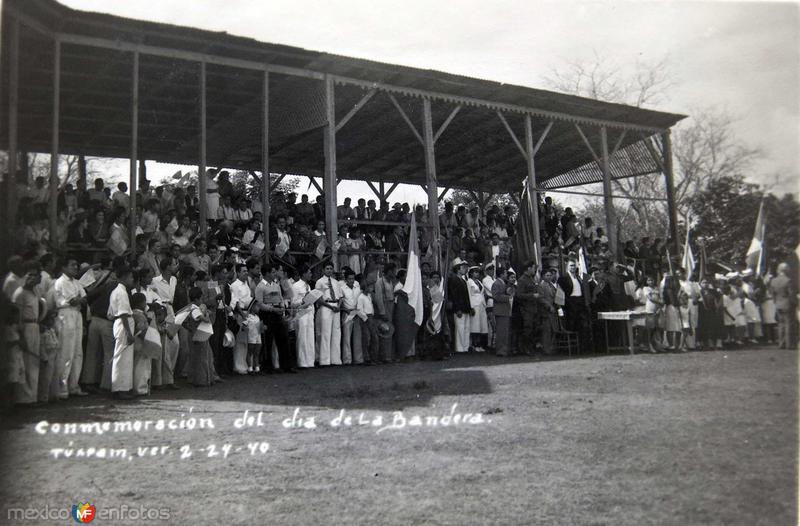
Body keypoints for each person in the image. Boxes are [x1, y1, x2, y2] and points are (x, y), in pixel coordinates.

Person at [52, 257, 88, 399]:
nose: (75, 267)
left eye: (76, 265)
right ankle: (62, 388)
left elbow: (84, 299)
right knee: (66, 352)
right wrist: (77, 299)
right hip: (65, 314)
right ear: (64, 267)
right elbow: (72, 300)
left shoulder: (77, 283)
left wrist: (78, 299)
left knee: (77, 352)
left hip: (76, 314)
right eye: (72, 265)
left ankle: (74, 386)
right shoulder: (61, 282)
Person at [12, 261, 43, 404]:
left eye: (35, 275)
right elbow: (16, 317)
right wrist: (21, 336)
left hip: (35, 326)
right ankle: (23, 398)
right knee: (25, 362)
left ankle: (32, 396)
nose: (32, 278)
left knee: (34, 362)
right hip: (25, 327)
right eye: (29, 275)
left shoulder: (35, 291)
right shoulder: (20, 293)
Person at [256, 263, 296, 373]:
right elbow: (259, 304)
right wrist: (272, 309)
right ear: (267, 273)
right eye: (273, 272)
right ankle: (267, 367)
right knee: (267, 341)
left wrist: (282, 307)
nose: (275, 274)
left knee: (283, 339)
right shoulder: (260, 286)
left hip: (278, 313)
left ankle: (286, 365)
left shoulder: (276, 285)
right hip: (267, 314)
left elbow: (280, 298)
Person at [109, 267, 136, 400]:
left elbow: (110, 314)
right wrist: (129, 333)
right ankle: (120, 388)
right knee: (122, 357)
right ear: (124, 277)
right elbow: (123, 314)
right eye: (131, 277)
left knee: (123, 357)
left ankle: (123, 387)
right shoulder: (121, 292)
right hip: (124, 324)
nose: (132, 280)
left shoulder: (116, 291)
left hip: (120, 323)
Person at [315, 261, 343, 366]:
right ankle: (324, 360)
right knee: (325, 333)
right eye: (327, 268)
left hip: (336, 306)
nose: (329, 270)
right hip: (326, 306)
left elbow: (340, 296)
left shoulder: (336, 282)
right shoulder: (320, 282)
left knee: (336, 333)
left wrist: (338, 306)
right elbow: (319, 298)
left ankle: (335, 359)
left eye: (331, 268)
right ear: (323, 270)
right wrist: (330, 306)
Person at [291, 265, 316, 368]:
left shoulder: (308, 286)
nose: (310, 275)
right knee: (302, 337)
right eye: (309, 273)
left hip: (309, 312)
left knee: (310, 337)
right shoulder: (296, 286)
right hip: (301, 313)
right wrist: (303, 301)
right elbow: (293, 303)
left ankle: (310, 361)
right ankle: (302, 362)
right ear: (304, 274)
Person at [514, 260, 542, 356]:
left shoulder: (531, 279)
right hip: (526, 309)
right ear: (528, 268)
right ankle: (525, 349)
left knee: (533, 329)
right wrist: (532, 296)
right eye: (533, 268)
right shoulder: (522, 280)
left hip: (533, 308)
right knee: (527, 329)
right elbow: (519, 295)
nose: (535, 270)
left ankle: (530, 348)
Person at [374, 262, 397, 362]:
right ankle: (384, 356)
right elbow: (378, 298)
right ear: (389, 271)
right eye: (394, 271)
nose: (395, 273)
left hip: (391, 306)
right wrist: (382, 312)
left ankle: (389, 355)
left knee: (390, 331)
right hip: (384, 306)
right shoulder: (380, 282)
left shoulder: (391, 282)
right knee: (384, 330)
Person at [770, 262, 797, 349]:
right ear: (786, 270)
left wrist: (775, 302)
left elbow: (773, 294)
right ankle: (790, 344)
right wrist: (795, 303)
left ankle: (781, 344)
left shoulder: (774, 280)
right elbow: (791, 294)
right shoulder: (788, 280)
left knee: (781, 324)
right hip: (788, 304)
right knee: (789, 324)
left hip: (778, 304)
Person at [447, 259, 471, 354]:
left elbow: (466, 296)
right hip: (459, 309)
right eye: (463, 267)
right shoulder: (453, 279)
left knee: (465, 328)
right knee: (460, 328)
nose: (465, 269)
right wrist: (457, 309)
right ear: (458, 269)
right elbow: (454, 296)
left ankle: (465, 347)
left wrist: (469, 308)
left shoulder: (463, 281)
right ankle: (459, 348)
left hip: (465, 308)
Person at [340, 269, 362, 365]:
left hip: (356, 312)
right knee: (346, 337)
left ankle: (358, 359)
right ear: (345, 279)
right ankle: (347, 360)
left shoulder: (357, 286)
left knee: (357, 336)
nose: (351, 281)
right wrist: (346, 310)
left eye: (353, 278)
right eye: (349, 279)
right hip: (347, 313)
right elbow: (340, 303)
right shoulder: (342, 288)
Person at [491, 267, 512, 357]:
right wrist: (508, 297)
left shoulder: (503, 283)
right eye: (505, 273)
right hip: (500, 310)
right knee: (501, 332)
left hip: (504, 310)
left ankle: (504, 349)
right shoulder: (496, 283)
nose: (506, 275)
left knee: (504, 331)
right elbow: (496, 296)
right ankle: (500, 350)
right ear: (501, 274)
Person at [538, 267, 559, 355]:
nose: (549, 277)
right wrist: (549, 306)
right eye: (547, 275)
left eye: (550, 275)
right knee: (547, 331)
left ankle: (551, 347)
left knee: (553, 329)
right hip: (546, 311)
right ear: (543, 276)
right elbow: (541, 298)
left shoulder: (551, 285)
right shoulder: (541, 285)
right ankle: (546, 349)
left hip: (553, 311)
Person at [467, 266, 488, 352]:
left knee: (481, 325)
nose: (477, 274)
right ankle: (474, 344)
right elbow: (468, 295)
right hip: (474, 305)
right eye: (475, 272)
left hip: (481, 305)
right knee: (474, 325)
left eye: (478, 272)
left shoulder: (479, 282)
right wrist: (470, 307)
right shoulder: (469, 282)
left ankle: (479, 344)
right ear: (471, 273)